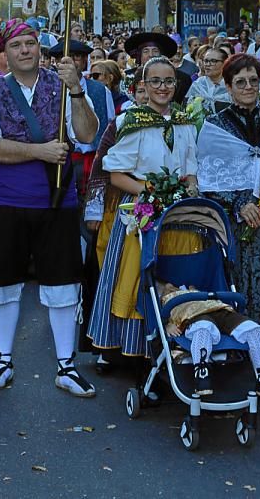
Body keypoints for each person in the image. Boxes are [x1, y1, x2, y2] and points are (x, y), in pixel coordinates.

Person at [0, 19, 100, 397]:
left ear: (40, 48)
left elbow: (88, 134)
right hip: (8, 201)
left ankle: (66, 365)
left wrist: (76, 90)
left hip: (58, 201)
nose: (25, 50)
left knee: (62, 283)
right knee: (3, 282)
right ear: (4, 54)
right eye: (17, 45)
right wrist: (38, 151)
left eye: (31, 43)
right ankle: (3, 359)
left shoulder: (63, 86)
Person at [197, 53, 260, 399]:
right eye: (239, 82)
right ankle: (241, 378)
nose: (247, 87)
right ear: (228, 86)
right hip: (237, 223)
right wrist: (240, 204)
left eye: (253, 81)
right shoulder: (217, 124)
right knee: (240, 291)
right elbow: (210, 176)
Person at [88, 56, 198, 363]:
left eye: (168, 81)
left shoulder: (185, 122)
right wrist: (151, 192)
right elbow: (116, 174)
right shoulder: (133, 122)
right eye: (155, 82)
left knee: (176, 278)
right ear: (143, 87)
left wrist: (187, 193)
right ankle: (137, 351)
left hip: (177, 217)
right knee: (139, 280)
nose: (162, 88)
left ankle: (179, 343)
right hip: (143, 215)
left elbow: (190, 170)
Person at [159, 281, 260, 398]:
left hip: (219, 309)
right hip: (193, 315)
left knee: (253, 329)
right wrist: (167, 325)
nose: (170, 287)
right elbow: (162, 315)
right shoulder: (167, 299)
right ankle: (202, 375)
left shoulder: (198, 291)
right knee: (203, 327)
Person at [185, 46, 231, 114]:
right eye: (206, 61)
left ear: (224, 63)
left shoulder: (231, 85)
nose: (207, 64)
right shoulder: (198, 84)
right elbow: (187, 108)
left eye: (213, 61)